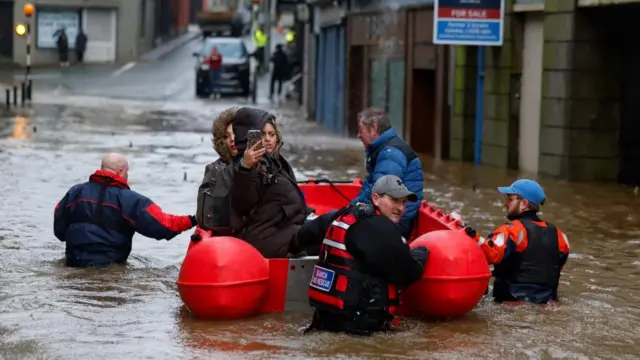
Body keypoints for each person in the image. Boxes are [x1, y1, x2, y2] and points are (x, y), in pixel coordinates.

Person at [295, 175, 430, 335]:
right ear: (375, 198)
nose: (400, 208)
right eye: (394, 200)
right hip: (360, 325)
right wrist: (421, 256)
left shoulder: (344, 213)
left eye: (404, 202)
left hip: (324, 318)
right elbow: (409, 273)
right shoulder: (382, 229)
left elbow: (304, 234)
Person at [54, 153, 197, 267]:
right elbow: (163, 225)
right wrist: (193, 220)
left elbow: (59, 225)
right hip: (109, 266)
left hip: (73, 261)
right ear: (121, 171)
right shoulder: (130, 200)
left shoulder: (75, 192)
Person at [452, 179, 570, 304]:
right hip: (547, 305)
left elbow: (491, 254)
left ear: (524, 204)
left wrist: (463, 228)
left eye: (510, 199)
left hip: (511, 304)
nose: (506, 204)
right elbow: (554, 268)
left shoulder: (512, 230)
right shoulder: (561, 236)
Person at [230, 108, 308, 258]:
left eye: (271, 134)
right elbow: (244, 204)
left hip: (286, 229)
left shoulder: (278, 163)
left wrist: (309, 213)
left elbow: (286, 201)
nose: (268, 139)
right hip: (269, 238)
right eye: (262, 134)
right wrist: (245, 168)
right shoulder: (247, 166)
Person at [351, 108, 424, 238]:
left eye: (361, 130)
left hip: (396, 223)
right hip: (391, 218)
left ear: (373, 128)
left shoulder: (390, 155)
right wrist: (350, 208)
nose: (358, 135)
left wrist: (349, 215)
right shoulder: (385, 150)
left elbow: (379, 194)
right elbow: (370, 188)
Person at [194, 108, 242, 237]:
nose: (232, 139)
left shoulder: (265, 164)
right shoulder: (215, 171)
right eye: (226, 136)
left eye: (235, 133)